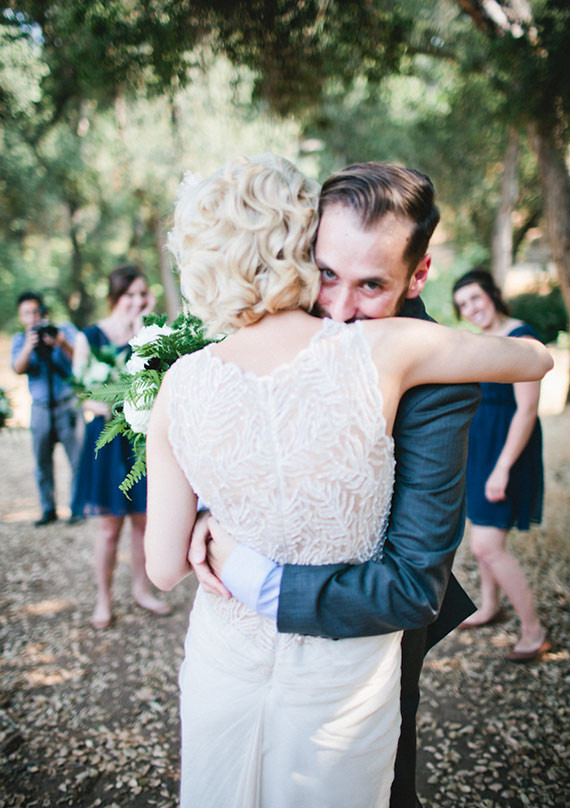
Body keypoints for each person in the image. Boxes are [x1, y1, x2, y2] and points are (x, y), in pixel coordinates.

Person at [143, 154, 552, 808]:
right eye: (325, 274)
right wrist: (206, 513)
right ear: (303, 249)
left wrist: (246, 570)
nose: (337, 307)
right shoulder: (324, 346)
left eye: (370, 286)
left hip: (364, 646)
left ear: (418, 275)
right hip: (258, 663)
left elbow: (413, 584)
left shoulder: (426, 366)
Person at [452, 268, 551, 662]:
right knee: (483, 540)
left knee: (487, 545)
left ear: (491, 294)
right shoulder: (478, 341)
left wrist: (502, 467)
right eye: (462, 304)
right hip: (480, 448)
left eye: (475, 298)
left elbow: (526, 411)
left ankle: (534, 630)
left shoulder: (522, 337)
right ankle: (490, 606)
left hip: (507, 448)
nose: (470, 308)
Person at [73, 265, 170, 630]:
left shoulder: (150, 334)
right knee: (109, 528)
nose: (137, 300)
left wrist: (142, 335)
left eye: (142, 293)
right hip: (107, 439)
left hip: (139, 437)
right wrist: (111, 403)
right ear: (115, 296)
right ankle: (103, 598)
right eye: (130, 294)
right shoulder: (90, 336)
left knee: (143, 523)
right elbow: (82, 392)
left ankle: (141, 590)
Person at [11, 291, 85, 526]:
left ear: (44, 312)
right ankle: (48, 509)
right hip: (41, 408)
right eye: (27, 313)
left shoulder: (63, 331)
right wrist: (29, 345)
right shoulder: (20, 340)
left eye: (36, 312)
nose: (33, 317)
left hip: (68, 404)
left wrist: (61, 342)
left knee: (77, 460)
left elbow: (81, 360)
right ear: (21, 317)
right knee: (42, 462)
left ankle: (78, 508)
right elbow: (18, 368)